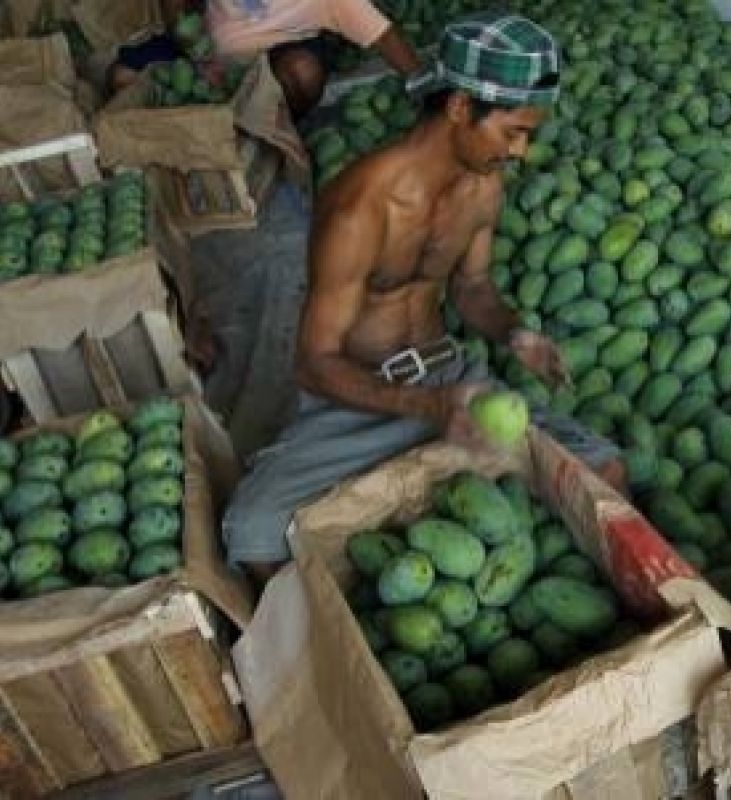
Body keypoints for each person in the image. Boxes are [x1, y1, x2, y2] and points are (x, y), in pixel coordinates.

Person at [222, 11, 627, 585]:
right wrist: (431, 409)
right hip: (360, 399)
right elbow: (315, 365)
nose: (522, 152)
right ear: (461, 108)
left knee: (604, 470)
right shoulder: (359, 207)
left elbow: (472, 289)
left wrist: (516, 334)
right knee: (253, 534)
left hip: (451, 376)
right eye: (513, 131)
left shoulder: (483, 187)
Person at [110, 0, 422, 117]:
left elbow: (385, 36)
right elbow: (176, 6)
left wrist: (425, 88)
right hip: (201, 48)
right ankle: (183, 136)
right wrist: (195, 49)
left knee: (304, 73)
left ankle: (272, 127)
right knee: (122, 78)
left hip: (275, 58)